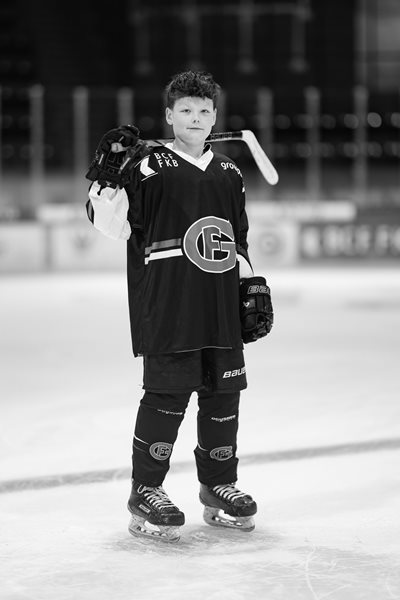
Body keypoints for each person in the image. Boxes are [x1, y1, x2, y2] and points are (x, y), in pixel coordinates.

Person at [85, 70, 273, 543]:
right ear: (169, 116)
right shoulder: (146, 166)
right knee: (167, 396)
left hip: (220, 305)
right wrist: (109, 173)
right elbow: (109, 223)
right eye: (185, 110)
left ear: (215, 117)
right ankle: (146, 490)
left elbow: (237, 238)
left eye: (204, 110)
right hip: (168, 304)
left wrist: (249, 284)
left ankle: (218, 484)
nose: (195, 117)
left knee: (223, 394)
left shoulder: (229, 172)